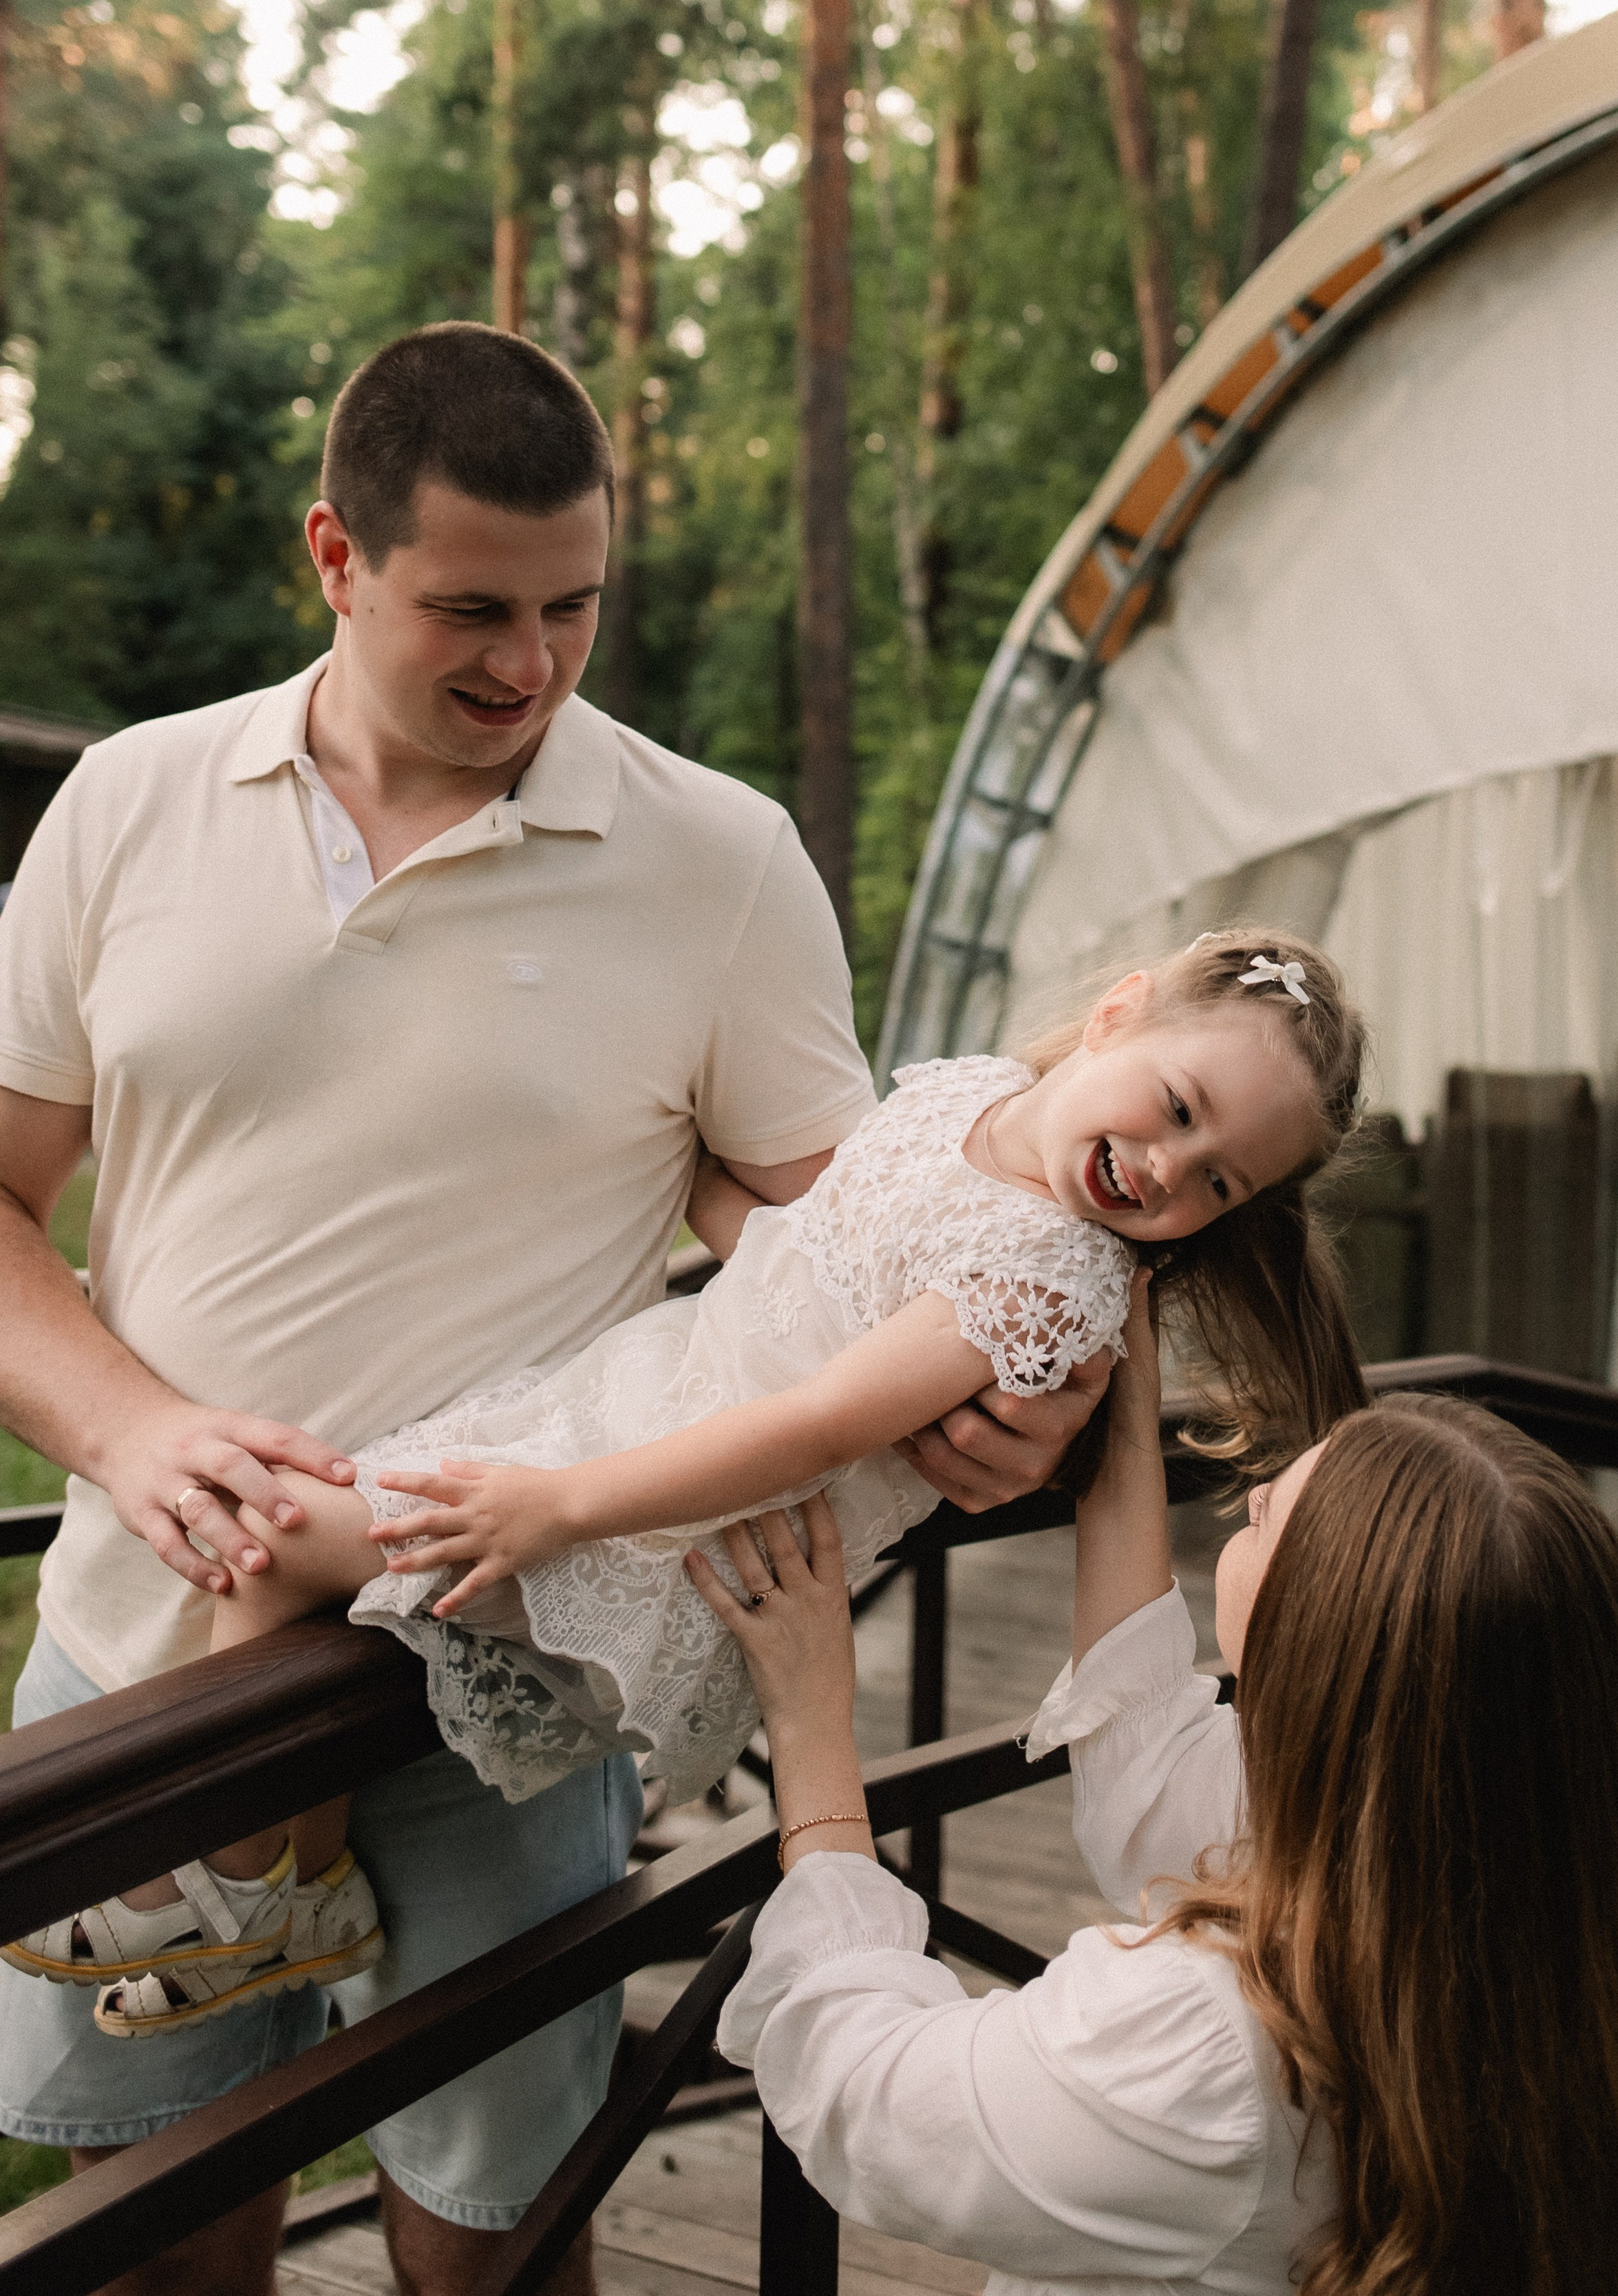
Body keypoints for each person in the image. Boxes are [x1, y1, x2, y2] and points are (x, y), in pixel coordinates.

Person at [0, 321, 1107, 2296]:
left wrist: (1020, 1399)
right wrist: (137, 1435)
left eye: (574, 608)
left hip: (505, 1694)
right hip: (143, 1653)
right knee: (149, 2247)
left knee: (498, 2249)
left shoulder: (720, 859)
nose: (530, 666)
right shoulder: (127, 804)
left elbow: (844, 1236)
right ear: (334, 556)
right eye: (472, 611)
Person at [13, 926, 1368, 2051]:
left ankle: (215, 1897)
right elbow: (811, 1252)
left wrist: (561, 1507)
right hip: (637, 1415)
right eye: (1178, 1111)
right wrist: (686, 1168)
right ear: (1118, 1014)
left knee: (271, 1527)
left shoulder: (1047, 1270)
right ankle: (289, 1885)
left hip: (673, 1523)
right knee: (291, 1551)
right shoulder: (963, 1106)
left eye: (1215, 1182)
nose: (1167, 1170)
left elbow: (816, 1420)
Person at [703, 1290, 1618, 2296]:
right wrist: (1124, 1428)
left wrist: (811, 1727)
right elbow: (1151, 1772)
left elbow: (870, 2098)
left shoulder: (1210, 2052)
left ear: (1314, 1653)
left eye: (1266, 1517)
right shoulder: (1504, 1911)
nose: (1247, 1494)